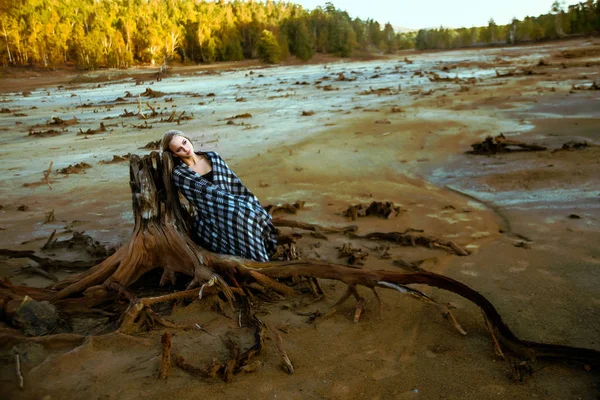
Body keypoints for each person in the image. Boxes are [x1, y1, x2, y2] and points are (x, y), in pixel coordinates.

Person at [161, 130, 277, 262]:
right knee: (242, 218)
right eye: (179, 149)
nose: (186, 149)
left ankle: (261, 255)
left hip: (235, 204)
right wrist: (237, 207)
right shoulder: (180, 174)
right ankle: (259, 261)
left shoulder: (213, 157)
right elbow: (207, 198)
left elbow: (234, 184)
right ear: (174, 154)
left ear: (188, 139)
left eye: (184, 142)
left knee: (250, 214)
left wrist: (247, 203)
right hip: (211, 215)